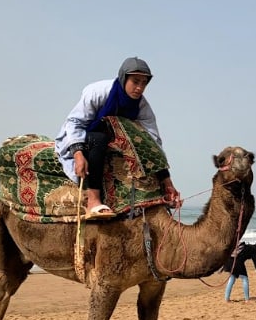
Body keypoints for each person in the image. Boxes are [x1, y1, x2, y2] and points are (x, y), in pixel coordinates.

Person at [55, 57, 180, 220]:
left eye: (144, 83)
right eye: (135, 81)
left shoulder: (142, 107)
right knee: (98, 138)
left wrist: (167, 182)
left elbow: (153, 142)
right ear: (123, 78)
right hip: (85, 136)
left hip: (113, 143)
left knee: (140, 141)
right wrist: (78, 154)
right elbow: (74, 122)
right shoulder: (97, 92)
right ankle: (93, 201)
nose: (139, 87)